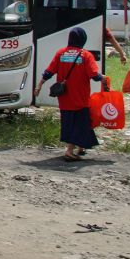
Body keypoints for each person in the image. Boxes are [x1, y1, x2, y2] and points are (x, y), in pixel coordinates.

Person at [34, 27, 106, 160]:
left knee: (70, 121)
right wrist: (104, 78)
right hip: (80, 97)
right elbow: (94, 75)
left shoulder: (61, 53)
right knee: (79, 122)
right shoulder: (86, 55)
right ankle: (69, 151)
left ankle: (81, 147)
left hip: (65, 97)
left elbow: (48, 72)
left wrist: (39, 85)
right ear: (83, 39)